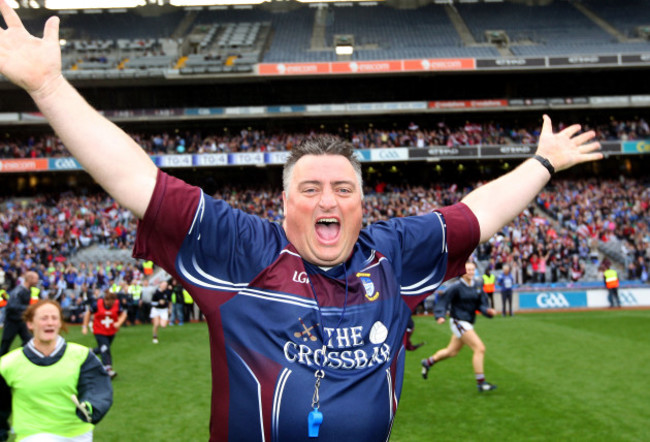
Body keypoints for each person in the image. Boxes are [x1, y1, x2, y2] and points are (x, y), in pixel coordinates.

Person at [0, 3, 602, 439]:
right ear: (283, 203)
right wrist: (49, 87)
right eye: (309, 189)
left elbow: (476, 214)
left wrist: (544, 161)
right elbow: (138, 181)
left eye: (344, 189)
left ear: (363, 204)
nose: (328, 202)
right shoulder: (240, 249)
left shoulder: (391, 253)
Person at [0, 300, 113, 442]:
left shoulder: (81, 356)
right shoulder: (8, 364)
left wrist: (92, 406)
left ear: (60, 323)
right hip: (32, 434)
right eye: (44, 318)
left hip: (77, 434)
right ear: (30, 324)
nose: (50, 323)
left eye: (54, 318)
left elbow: (96, 387)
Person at [421, 261, 498, 392]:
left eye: (473, 270)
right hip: (458, 321)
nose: (471, 272)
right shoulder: (455, 287)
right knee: (480, 348)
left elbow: (481, 304)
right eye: (468, 269)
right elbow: (443, 300)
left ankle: (428, 362)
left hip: (468, 322)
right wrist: (440, 315)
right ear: (462, 271)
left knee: (452, 352)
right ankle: (481, 383)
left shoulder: (478, 286)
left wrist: (487, 311)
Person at [82, 291, 127, 379]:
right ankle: (107, 368)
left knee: (104, 348)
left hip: (111, 331)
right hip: (99, 330)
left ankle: (91, 352)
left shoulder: (117, 304)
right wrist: (84, 326)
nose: (110, 304)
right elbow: (88, 313)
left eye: (112, 303)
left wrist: (119, 322)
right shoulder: (97, 304)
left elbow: (123, 314)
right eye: (108, 303)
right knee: (105, 348)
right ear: (105, 300)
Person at [0, 272, 39, 357]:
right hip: (12, 322)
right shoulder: (19, 291)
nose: (37, 281)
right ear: (30, 279)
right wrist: (29, 308)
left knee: (28, 341)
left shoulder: (27, 290)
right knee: (5, 345)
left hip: (21, 321)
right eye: (36, 279)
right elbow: (12, 306)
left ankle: (21, 358)